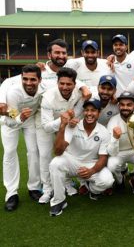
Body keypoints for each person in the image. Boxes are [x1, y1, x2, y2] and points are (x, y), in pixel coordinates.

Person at [49, 98, 114, 216]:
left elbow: (103, 157)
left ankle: (91, 188)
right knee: (55, 163)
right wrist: (63, 126)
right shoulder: (73, 125)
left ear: (99, 113)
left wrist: (92, 171)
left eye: (93, 110)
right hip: (72, 162)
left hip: (91, 164)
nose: (89, 113)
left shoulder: (104, 132)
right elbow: (58, 151)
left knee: (107, 181)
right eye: (87, 110)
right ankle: (58, 201)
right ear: (83, 112)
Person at [2, 65, 44, 211]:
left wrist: (26, 117)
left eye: (33, 79)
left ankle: (34, 187)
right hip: (10, 120)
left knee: (34, 151)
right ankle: (11, 193)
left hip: (30, 120)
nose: (28, 83)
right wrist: (19, 117)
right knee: (9, 151)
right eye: (25, 79)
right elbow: (9, 117)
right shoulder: (14, 92)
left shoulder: (43, 89)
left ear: (39, 80)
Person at [39, 67, 83, 203]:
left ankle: (67, 183)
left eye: (69, 84)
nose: (65, 87)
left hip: (66, 124)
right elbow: (46, 127)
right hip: (46, 125)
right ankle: (47, 190)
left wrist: (70, 120)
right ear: (57, 83)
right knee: (45, 155)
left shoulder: (78, 93)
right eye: (61, 83)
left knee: (66, 152)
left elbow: (80, 107)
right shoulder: (48, 97)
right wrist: (61, 121)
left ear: (75, 84)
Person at [106, 91, 134, 195]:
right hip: (119, 153)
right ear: (118, 106)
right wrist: (115, 138)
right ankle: (120, 181)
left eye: (129, 105)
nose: (125, 107)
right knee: (112, 165)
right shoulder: (113, 122)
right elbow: (111, 152)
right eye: (122, 104)